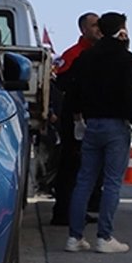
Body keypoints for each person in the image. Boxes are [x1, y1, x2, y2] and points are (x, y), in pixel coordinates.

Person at [64, 12, 132, 254]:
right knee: (111, 183)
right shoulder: (127, 59)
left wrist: (78, 116)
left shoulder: (86, 57)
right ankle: (104, 237)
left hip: (91, 124)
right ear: (120, 30)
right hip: (116, 126)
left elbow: (72, 88)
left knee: (84, 180)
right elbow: (129, 95)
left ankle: (74, 237)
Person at [51, 12, 103, 227]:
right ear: (83, 29)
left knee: (87, 168)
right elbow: (60, 84)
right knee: (70, 167)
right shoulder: (73, 55)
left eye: (99, 25)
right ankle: (63, 212)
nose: (97, 29)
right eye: (93, 26)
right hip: (73, 121)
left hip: (89, 120)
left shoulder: (98, 54)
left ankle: (79, 209)